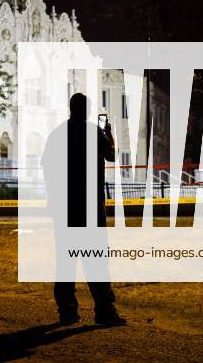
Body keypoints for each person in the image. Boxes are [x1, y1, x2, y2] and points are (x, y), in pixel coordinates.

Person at [42, 93, 127, 326]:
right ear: (87, 110)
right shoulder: (94, 132)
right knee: (95, 259)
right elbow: (112, 155)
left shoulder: (58, 134)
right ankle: (103, 309)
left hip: (66, 207)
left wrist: (55, 198)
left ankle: (67, 309)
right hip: (91, 207)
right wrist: (108, 133)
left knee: (66, 260)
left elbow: (48, 168)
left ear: (71, 109)